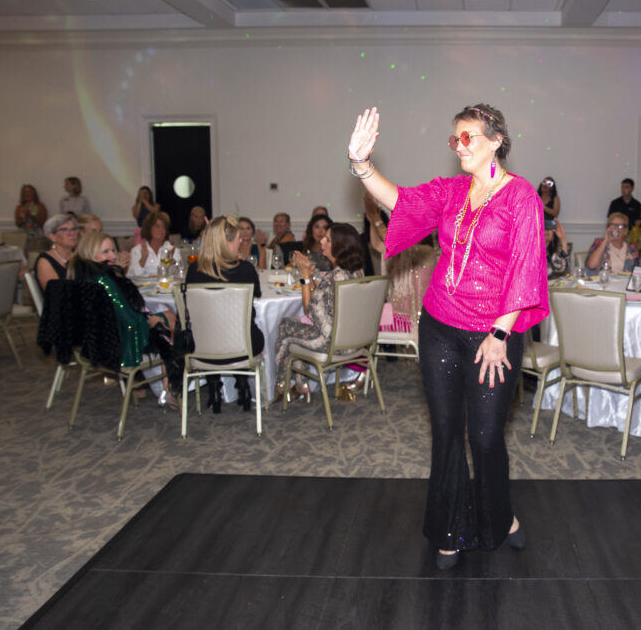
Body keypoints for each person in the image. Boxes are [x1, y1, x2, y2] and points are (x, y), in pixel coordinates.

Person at [346, 104, 548, 569]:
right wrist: (361, 163)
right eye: (455, 138)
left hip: (493, 334)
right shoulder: (452, 191)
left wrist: (500, 333)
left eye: (469, 136)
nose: (460, 146)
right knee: (446, 432)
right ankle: (449, 529)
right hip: (439, 326)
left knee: (486, 437)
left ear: (496, 141)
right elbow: (400, 201)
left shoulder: (520, 197)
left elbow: (526, 268)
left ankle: (501, 516)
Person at [67, 232, 180, 407]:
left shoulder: (85, 278)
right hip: (120, 346)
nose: (113, 255)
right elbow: (130, 321)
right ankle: (167, 389)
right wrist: (154, 320)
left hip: (95, 342)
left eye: (113, 250)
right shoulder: (104, 281)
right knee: (170, 322)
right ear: (90, 254)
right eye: (106, 252)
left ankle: (164, 387)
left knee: (163, 318)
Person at [186, 215, 265, 413]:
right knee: (237, 326)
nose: (241, 242)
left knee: (211, 328)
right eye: (238, 238)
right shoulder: (246, 269)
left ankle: (213, 385)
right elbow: (257, 295)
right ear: (226, 242)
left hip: (201, 348)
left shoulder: (194, 270)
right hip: (244, 348)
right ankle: (242, 383)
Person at [275, 223, 365, 394]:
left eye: (328, 240)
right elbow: (325, 300)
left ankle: (282, 385)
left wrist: (304, 276)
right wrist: (310, 278)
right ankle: (301, 384)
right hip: (356, 341)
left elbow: (309, 311)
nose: (322, 241)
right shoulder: (356, 272)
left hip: (333, 344)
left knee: (285, 326)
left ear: (340, 246)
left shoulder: (334, 277)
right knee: (295, 328)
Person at [128, 211, 179, 278]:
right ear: (149, 228)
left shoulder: (172, 250)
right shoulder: (137, 250)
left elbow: (178, 276)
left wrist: (171, 262)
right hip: (143, 285)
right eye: (157, 226)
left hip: (166, 284)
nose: (161, 230)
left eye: (163, 227)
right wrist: (143, 259)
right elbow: (130, 276)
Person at [33, 214, 78, 290]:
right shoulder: (44, 261)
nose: (72, 233)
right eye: (64, 230)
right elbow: (55, 293)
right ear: (52, 236)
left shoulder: (78, 256)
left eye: (73, 229)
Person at [13, 184, 47, 250]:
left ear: (34, 194)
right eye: (25, 192)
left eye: (29, 192)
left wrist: (31, 216)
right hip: (23, 235)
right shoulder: (19, 207)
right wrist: (24, 215)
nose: (27, 194)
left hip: (37, 235)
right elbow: (18, 224)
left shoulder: (40, 206)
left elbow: (43, 222)